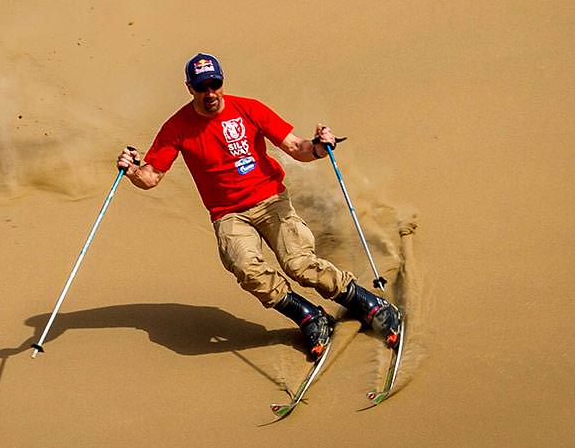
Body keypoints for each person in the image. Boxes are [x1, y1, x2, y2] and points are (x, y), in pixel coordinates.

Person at [116, 52, 400, 360]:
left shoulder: (248, 109)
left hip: (270, 200)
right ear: (190, 88)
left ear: (222, 81)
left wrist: (319, 147)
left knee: (299, 265)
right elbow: (150, 177)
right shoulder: (177, 127)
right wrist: (130, 170)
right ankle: (308, 316)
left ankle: (369, 304)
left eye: (215, 84)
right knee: (246, 269)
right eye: (201, 87)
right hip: (228, 214)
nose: (210, 93)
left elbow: (295, 147)